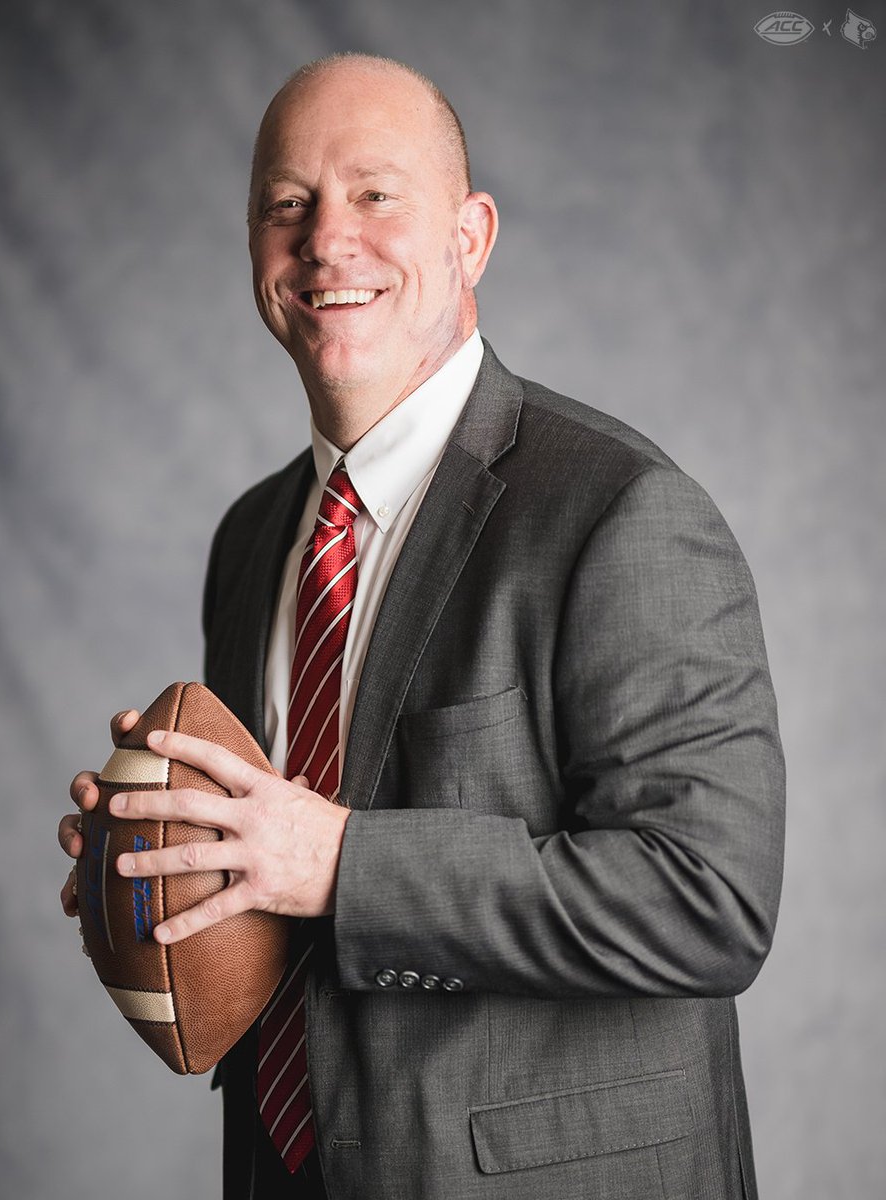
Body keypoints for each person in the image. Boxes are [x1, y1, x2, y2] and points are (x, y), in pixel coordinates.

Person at [59, 53, 784, 1200]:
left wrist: (339, 860)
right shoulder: (253, 541)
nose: (326, 239)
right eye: (286, 204)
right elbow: (279, 886)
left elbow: (708, 901)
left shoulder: (623, 512)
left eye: (375, 193)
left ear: (472, 237)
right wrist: (169, 868)